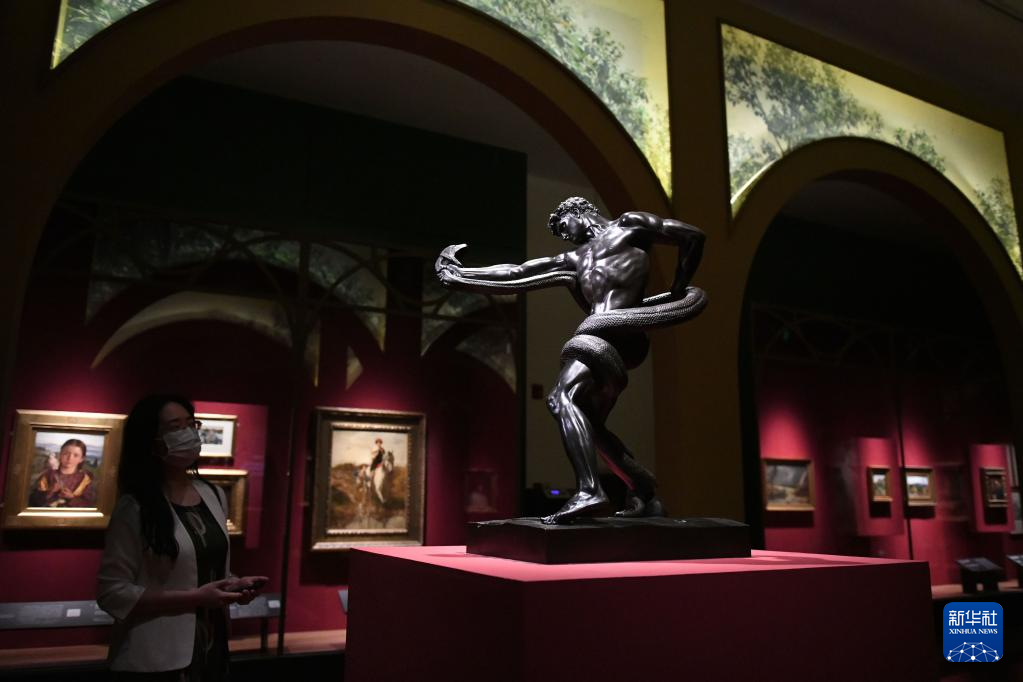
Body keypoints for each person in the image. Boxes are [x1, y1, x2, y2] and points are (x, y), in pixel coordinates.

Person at [437, 197, 705, 524]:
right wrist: (462, 275)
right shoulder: (574, 259)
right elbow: (517, 273)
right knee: (587, 421)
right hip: (600, 336)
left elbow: (693, 237)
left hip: (619, 333)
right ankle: (644, 490)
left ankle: (589, 491)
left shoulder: (629, 225)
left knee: (561, 397)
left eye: (563, 227)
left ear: (577, 212)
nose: (565, 236)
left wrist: (678, 290)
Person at [97, 394, 268, 680]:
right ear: (151, 440)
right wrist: (194, 598)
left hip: (211, 646)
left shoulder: (212, 494)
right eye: (175, 427)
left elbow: (201, 567)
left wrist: (233, 584)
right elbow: (112, 593)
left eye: (191, 424)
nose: (188, 434)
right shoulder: (135, 506)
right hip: (155, 657)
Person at [28, 438, 97, 507]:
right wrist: (51, 491)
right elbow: (33, 500)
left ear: (81, 459)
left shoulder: (85, 479)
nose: (70, 458)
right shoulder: (48, 475)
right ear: (60, 454)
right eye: (66, 454)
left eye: (75, 455)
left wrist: (71, 498)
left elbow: (89, 504)